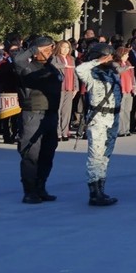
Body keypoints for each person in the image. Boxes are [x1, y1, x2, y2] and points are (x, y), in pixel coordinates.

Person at [13, 36, 62, 204]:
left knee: (47, 154)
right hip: (33, 114)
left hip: (50, 115)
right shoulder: (27, 68)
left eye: (51, 49)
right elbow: (17, 59)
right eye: (46, 49)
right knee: (31, 154)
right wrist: (35, 49)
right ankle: (30, 191)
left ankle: (41, 187)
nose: (49, 52)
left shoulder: (51, 68)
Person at [75, 42, 121, 206]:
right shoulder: (91, 75)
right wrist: (97, 62)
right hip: (98, 118)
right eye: (106, 56)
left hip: (113, 118)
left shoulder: (113, 74)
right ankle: (94, 193)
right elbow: (79, 69)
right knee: (96, 155)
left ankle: (101, 189)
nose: (109, 59)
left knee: (105, 156)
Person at [52, 39, 78, 142]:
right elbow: (53, 66)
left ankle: (65, 132)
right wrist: (64, 66)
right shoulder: (55, 58)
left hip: (69, 87)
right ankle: (57, 132)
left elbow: (74, 74)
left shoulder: (71, 58)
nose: (66, 49)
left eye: (67, 47)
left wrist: (76, 87)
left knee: (67, 111)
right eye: (63, 47)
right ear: (59, 48)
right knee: (58, 110)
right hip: (59, 87)